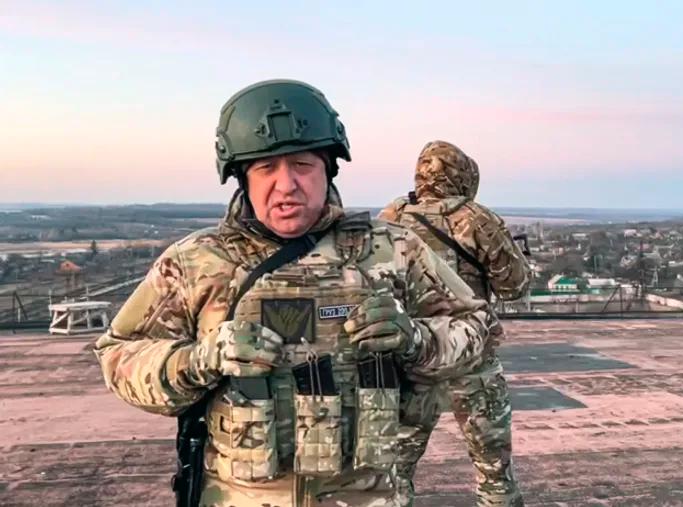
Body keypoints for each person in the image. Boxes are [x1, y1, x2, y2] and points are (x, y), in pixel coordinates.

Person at [94, 81, 504, 507]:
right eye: (266, 168)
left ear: (329, 169)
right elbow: (118, 357)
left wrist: (415, 339)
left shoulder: (392, 250)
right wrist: (200, 360)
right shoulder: (196, 262)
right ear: (241, 178)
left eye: (302, 165)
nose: (286, 184)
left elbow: (478, 328)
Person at [378, 140, 531, 507]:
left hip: (411, 361)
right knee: (494, 474)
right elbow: (514, 287)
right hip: (471, 360)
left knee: (391, 479)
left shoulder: (391, 218)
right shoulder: (477, 219)